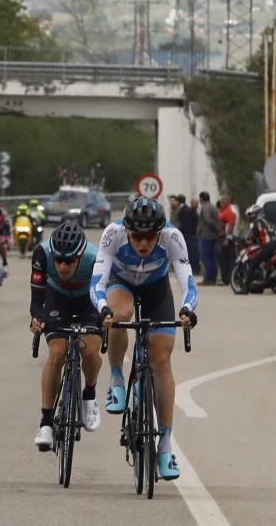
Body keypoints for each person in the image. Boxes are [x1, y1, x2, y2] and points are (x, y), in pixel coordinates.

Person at [90, 197, 197, 481]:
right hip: (120, 284)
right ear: (127, 230)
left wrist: (187, 309)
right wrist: (102, 308)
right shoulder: (113, 234)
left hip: (156, 291)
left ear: (160, 232)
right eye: (137, 236)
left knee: (161, 360)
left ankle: (164, 446)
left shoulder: (173, 237)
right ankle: (116, 379)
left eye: (151, 236)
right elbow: (97, 281)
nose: (144, 243)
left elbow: (188, 282)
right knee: (119, 314)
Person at [30, 222, 103, 451]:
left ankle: (89, 395)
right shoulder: (42, 253)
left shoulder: (96, 257)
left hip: (88, 300)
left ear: (81, 256)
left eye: (69, 261)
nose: (62, 266)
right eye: (59, 260)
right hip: (57, 298)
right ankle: (46, 423)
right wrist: (38, 318)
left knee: (90, 349)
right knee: (57, 353)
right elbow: (36, 301)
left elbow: (104, 293)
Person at [239, 204, 276, 292]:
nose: (250, 217)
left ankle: (245, 288)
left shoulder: (257, 223)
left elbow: (251, 237)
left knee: (253, 263)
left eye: (251, 214)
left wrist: (245, 240)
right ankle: (274, 282)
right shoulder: (266, 221)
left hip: (269, 246)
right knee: (269, 263)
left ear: (256, 214)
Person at [197, 191, 220, 285]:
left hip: (207, 235)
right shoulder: (213, 206)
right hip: (213, 236)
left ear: (201, 198)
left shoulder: (205, 207)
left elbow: (207, 219)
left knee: (206, 257)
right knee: (212, 257)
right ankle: (213, 278)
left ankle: (208, 279)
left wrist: (216, 228)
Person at [217, 194, 237, 286]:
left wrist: (227, 239)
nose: (222, 202)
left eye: (224, 200)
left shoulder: (229, 211)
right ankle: (225, 278)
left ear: (228, 201)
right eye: (221, 200)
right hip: (221, 237)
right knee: (222, 259)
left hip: (225, 238)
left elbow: (231, 226)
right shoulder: (223, 210)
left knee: (227, 259)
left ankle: (228, 279)